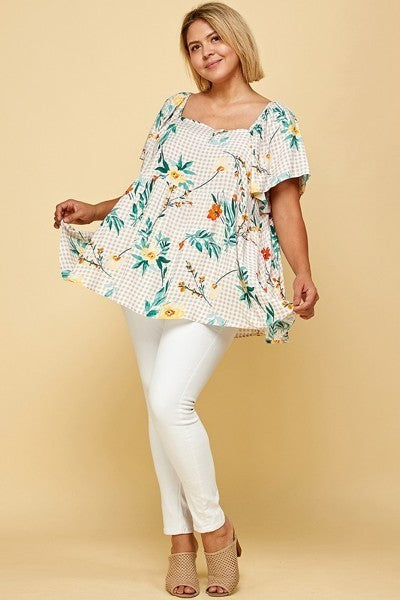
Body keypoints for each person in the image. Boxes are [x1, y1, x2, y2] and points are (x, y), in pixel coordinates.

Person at [53, 1, 319, 596]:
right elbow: (151, 189)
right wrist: (95, 210)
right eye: (195, 46)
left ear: (237, 42)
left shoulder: (274, 121)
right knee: (159, 407)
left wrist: (302, 270)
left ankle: (216, 531)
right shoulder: (174, 110)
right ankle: (178, 540)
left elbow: (285, 206)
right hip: (147, 267)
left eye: (214, 39)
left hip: (221, 277)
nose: (206, 52)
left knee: (171, 400)